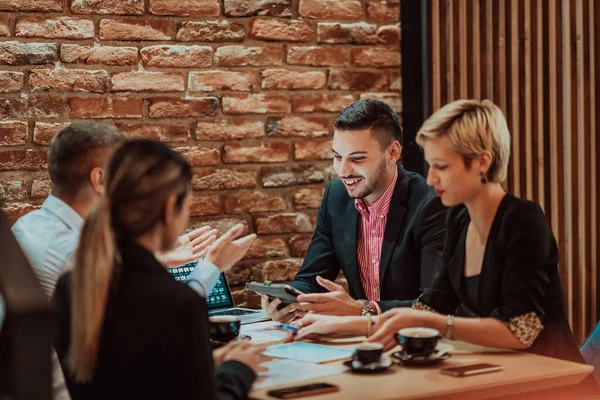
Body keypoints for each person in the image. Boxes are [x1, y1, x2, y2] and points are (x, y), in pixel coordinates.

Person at [290, 100, 588, 367]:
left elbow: (520, 331)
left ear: (482, 162)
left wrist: (436, 325)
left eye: (441, 166)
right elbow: (426, 307)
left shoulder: (523, 220)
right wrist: (337, 325)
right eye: (430, 165)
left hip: (548, 376)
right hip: (488, 368)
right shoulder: (460, 218)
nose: (430, 177)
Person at [52, 140, 265, 400]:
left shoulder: (70, 286)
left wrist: (205, 363)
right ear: (169, 208)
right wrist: (239, 370)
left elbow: (136, 378)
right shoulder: (177, 304)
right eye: (187, 206)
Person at [262, 99, 447, 322]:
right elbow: (312, 279)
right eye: (337, 157)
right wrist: (289, 301)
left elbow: (434, 304)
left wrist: (364, 309)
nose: (343, 171)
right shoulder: (336, 197)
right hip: (359, 339)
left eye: (357, 158)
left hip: (416, 340)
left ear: (392, 152)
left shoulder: (431, 204)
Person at [11, 121, 222, 299]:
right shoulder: (76, 250)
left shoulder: (26, 225)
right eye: (123, 173)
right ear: (100, 179)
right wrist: (211, 267)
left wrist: (156, 258)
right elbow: (153, 321)